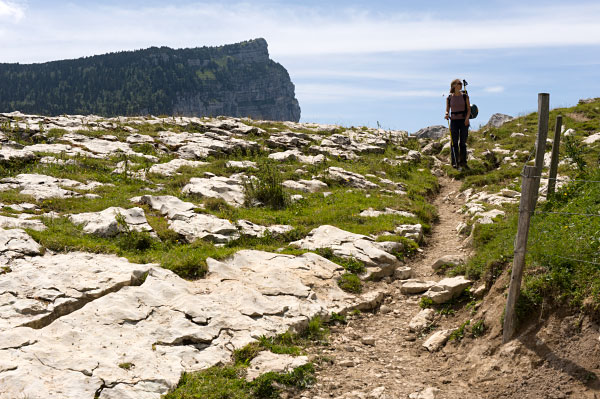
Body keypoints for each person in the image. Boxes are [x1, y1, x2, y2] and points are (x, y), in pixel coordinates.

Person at [444, 79, 471, 170]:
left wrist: (467, 119)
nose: (461, 85)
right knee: (454, 142)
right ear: (454, 85)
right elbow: (447, 109)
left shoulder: (465, 96)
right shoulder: (449, 98)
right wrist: (446, 114)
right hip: (454, 121)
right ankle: (455, 163)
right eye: (459, 83)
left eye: (461, 84)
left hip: (464, 121)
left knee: (462, 142)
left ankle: (463, 162)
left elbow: (469, 109)